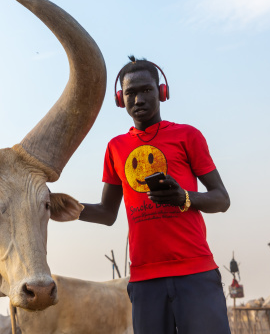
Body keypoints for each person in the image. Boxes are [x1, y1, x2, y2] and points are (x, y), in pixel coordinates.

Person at [79, 56, 231, 334]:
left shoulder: (188, 136)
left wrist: (184, 197)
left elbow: (222, 199)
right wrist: (55, 205)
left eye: (146, 90)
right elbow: (106, 213)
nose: (139, 99)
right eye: (130, 93)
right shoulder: (115, 148)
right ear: (120, 99)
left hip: (195, 273)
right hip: (145, 281)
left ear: (161, 92)